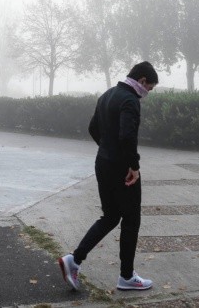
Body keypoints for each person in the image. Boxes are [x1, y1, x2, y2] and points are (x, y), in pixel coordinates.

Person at [59, 61, 159, 291]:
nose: (147, 94)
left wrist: (107, 149)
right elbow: (127, 136)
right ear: (142, 81)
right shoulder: (130, 100)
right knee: (131, 220)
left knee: (111, 216)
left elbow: (93, 128)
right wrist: (133, 166)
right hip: (123, 170)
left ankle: (74, 259)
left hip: (103, 163)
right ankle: (126, 277)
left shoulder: (107, 95)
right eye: (149, 88)